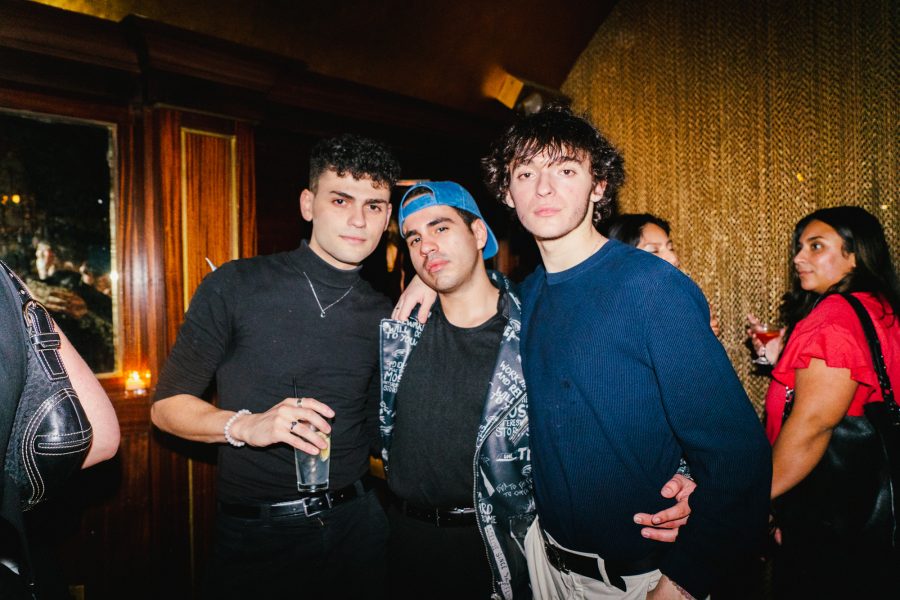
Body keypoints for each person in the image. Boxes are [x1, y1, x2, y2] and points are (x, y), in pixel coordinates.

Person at [479, 105, 771, 600]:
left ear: (598, 186)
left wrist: (682, 582)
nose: (543, 188)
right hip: (546, 566)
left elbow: (738, 456)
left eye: (565, 170)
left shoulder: (651, 286)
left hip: (640, 580)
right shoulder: (525, 296)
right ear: (507, 192)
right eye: (525, 173)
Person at [391, 185, 702, 598]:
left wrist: (686, 475)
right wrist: (426, 277)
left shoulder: (535, 322)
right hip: (405, 547)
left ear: (479, 234)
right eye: (414, 238)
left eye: (441, 228)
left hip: (509, 552)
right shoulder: (399, 332)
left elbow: (630, 398)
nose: (426, 245)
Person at [151, 134, 398, 599]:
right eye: (340, 200)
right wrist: (246, 426)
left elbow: (379, 429)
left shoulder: (386, 313)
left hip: (359, 530)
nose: (358, 220)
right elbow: (166, 408)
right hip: (259, 540)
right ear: (308, 204)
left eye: (374, 205)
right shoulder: (236, 285)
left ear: (387, 218)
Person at [749, 206, 900, 598]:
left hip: (834, 518)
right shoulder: (880, 308)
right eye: (799, 248)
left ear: (856, 255)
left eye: (816, 246)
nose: (799, 258)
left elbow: (814, 425)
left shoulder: (834, 315)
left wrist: (754, 500)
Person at [1, 259, 119, 598]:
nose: (45, 260)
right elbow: (100, 436)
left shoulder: (77, 294)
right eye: (40, 255)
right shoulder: (10, 285)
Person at [606, 213, 720, 336]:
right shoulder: (614, 319)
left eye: (671, 248)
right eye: (654, 250)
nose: (674, 258)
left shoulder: (678, 306)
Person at [27, 240, 114, 372]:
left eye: (41, 255)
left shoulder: (81, 291)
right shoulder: (36, 291)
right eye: (38, 255)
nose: (39, 261)